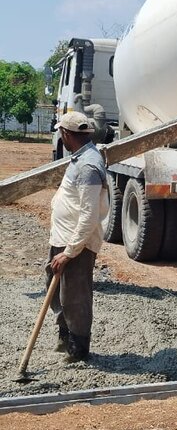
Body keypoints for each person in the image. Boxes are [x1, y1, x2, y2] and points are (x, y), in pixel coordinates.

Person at [46, 111, 108, 362]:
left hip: (76, 244)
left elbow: (89, 216)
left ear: (66, 134)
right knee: (57, 289)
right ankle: (65, 335)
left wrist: (70, 251)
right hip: (62, 238)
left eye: (61, 132)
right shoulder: (80, 157)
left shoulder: (89, 167)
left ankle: (78, 349)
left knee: (75, 295)